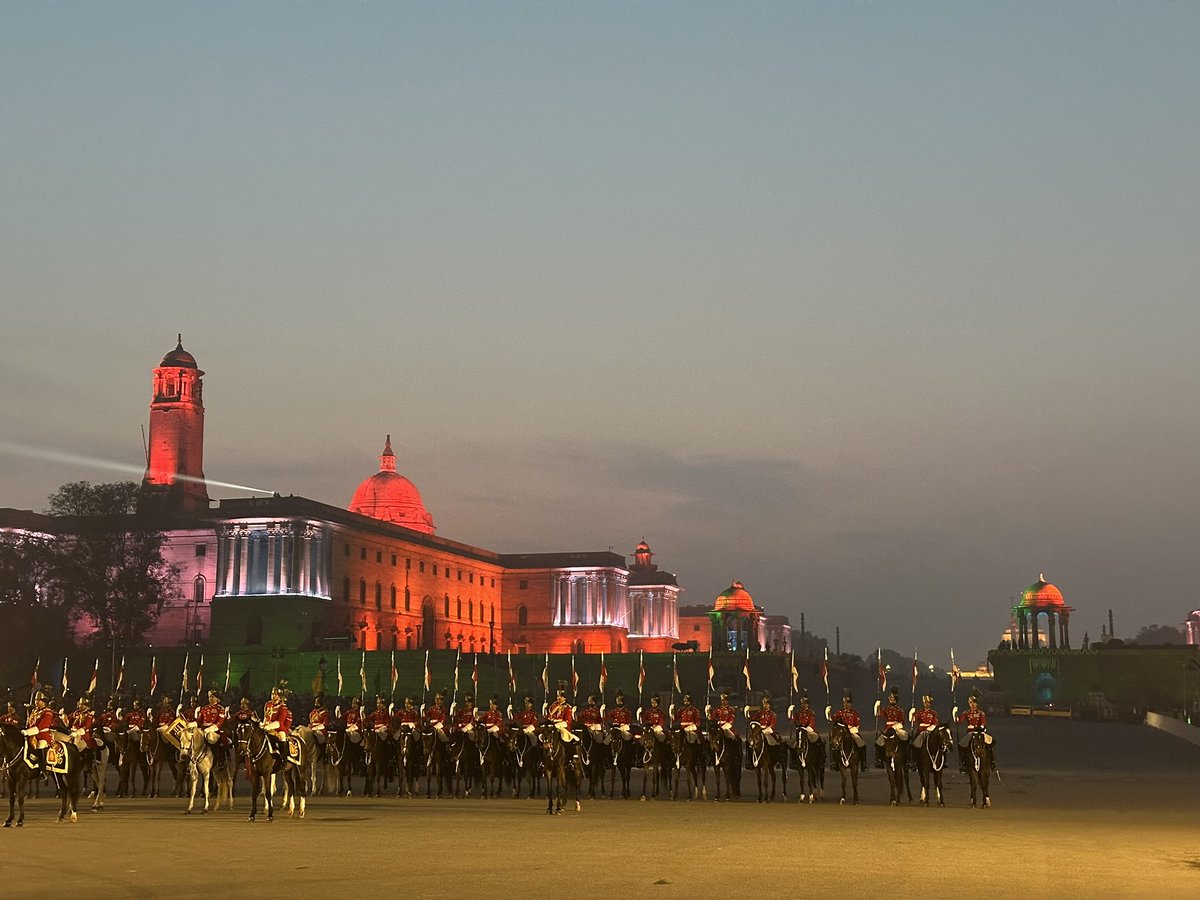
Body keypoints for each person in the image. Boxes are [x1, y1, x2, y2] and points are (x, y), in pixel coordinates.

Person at [956, 692, 996, 772]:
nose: (972, 704)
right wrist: (955, 714)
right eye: (971, 703)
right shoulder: (966, 713)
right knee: (961, 746)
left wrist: (977, 727)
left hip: (980, 732)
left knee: (991, 743)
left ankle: (992, 763)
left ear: (977, 703)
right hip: (970, 733)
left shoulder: (981, 713)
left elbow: (983, 723)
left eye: (974, 702)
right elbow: (959, 721)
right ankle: (963, 764)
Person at [21, 691, 59, 777]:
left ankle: (43, 770)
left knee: (40, 745)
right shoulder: (34, 711)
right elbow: (30, 723)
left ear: (44, 701)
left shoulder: (48, 712)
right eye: (36, 700)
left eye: (39, 700)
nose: (36, 702)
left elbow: (42, 726)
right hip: (32, 734)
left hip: (43, 735)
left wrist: (28, 732)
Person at [830, 690, 867, 770]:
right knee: (834, 746)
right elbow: (833, 719)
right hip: (842, 732)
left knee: (862, 744)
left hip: (851, 731)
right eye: (844, 703)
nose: (846, 705)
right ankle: (834, 763)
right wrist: (828, 713)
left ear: (851, 704)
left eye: (847, 703)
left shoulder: (854, 713)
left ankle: (863, 763)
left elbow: (857, 724)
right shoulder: (840, 712)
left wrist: (852, 729)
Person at [875, 687, 909, 769]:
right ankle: (879, 759)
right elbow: (879, 714)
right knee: (878, 742)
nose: (892, 701)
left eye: (893, 700)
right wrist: (878, 707)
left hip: (897, 728)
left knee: (906, 739)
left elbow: (902, 721)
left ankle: (907, 759)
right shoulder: (886, 709)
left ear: (896, 700)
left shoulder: (900, 710)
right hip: (887, 728)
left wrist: (896, 726)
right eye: (890, 699)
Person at [262, 686, 292, 759]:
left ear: (279, 696)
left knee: (282, 737)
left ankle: (283, 759)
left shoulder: (283, 707)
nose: (273, 696)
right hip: (267, 727)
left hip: (278, 728)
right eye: (272, 694)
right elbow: (266, 717)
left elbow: (280, 722)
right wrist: (263, 724)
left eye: (275, 694)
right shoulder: (268, 704)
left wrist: (269, 727)